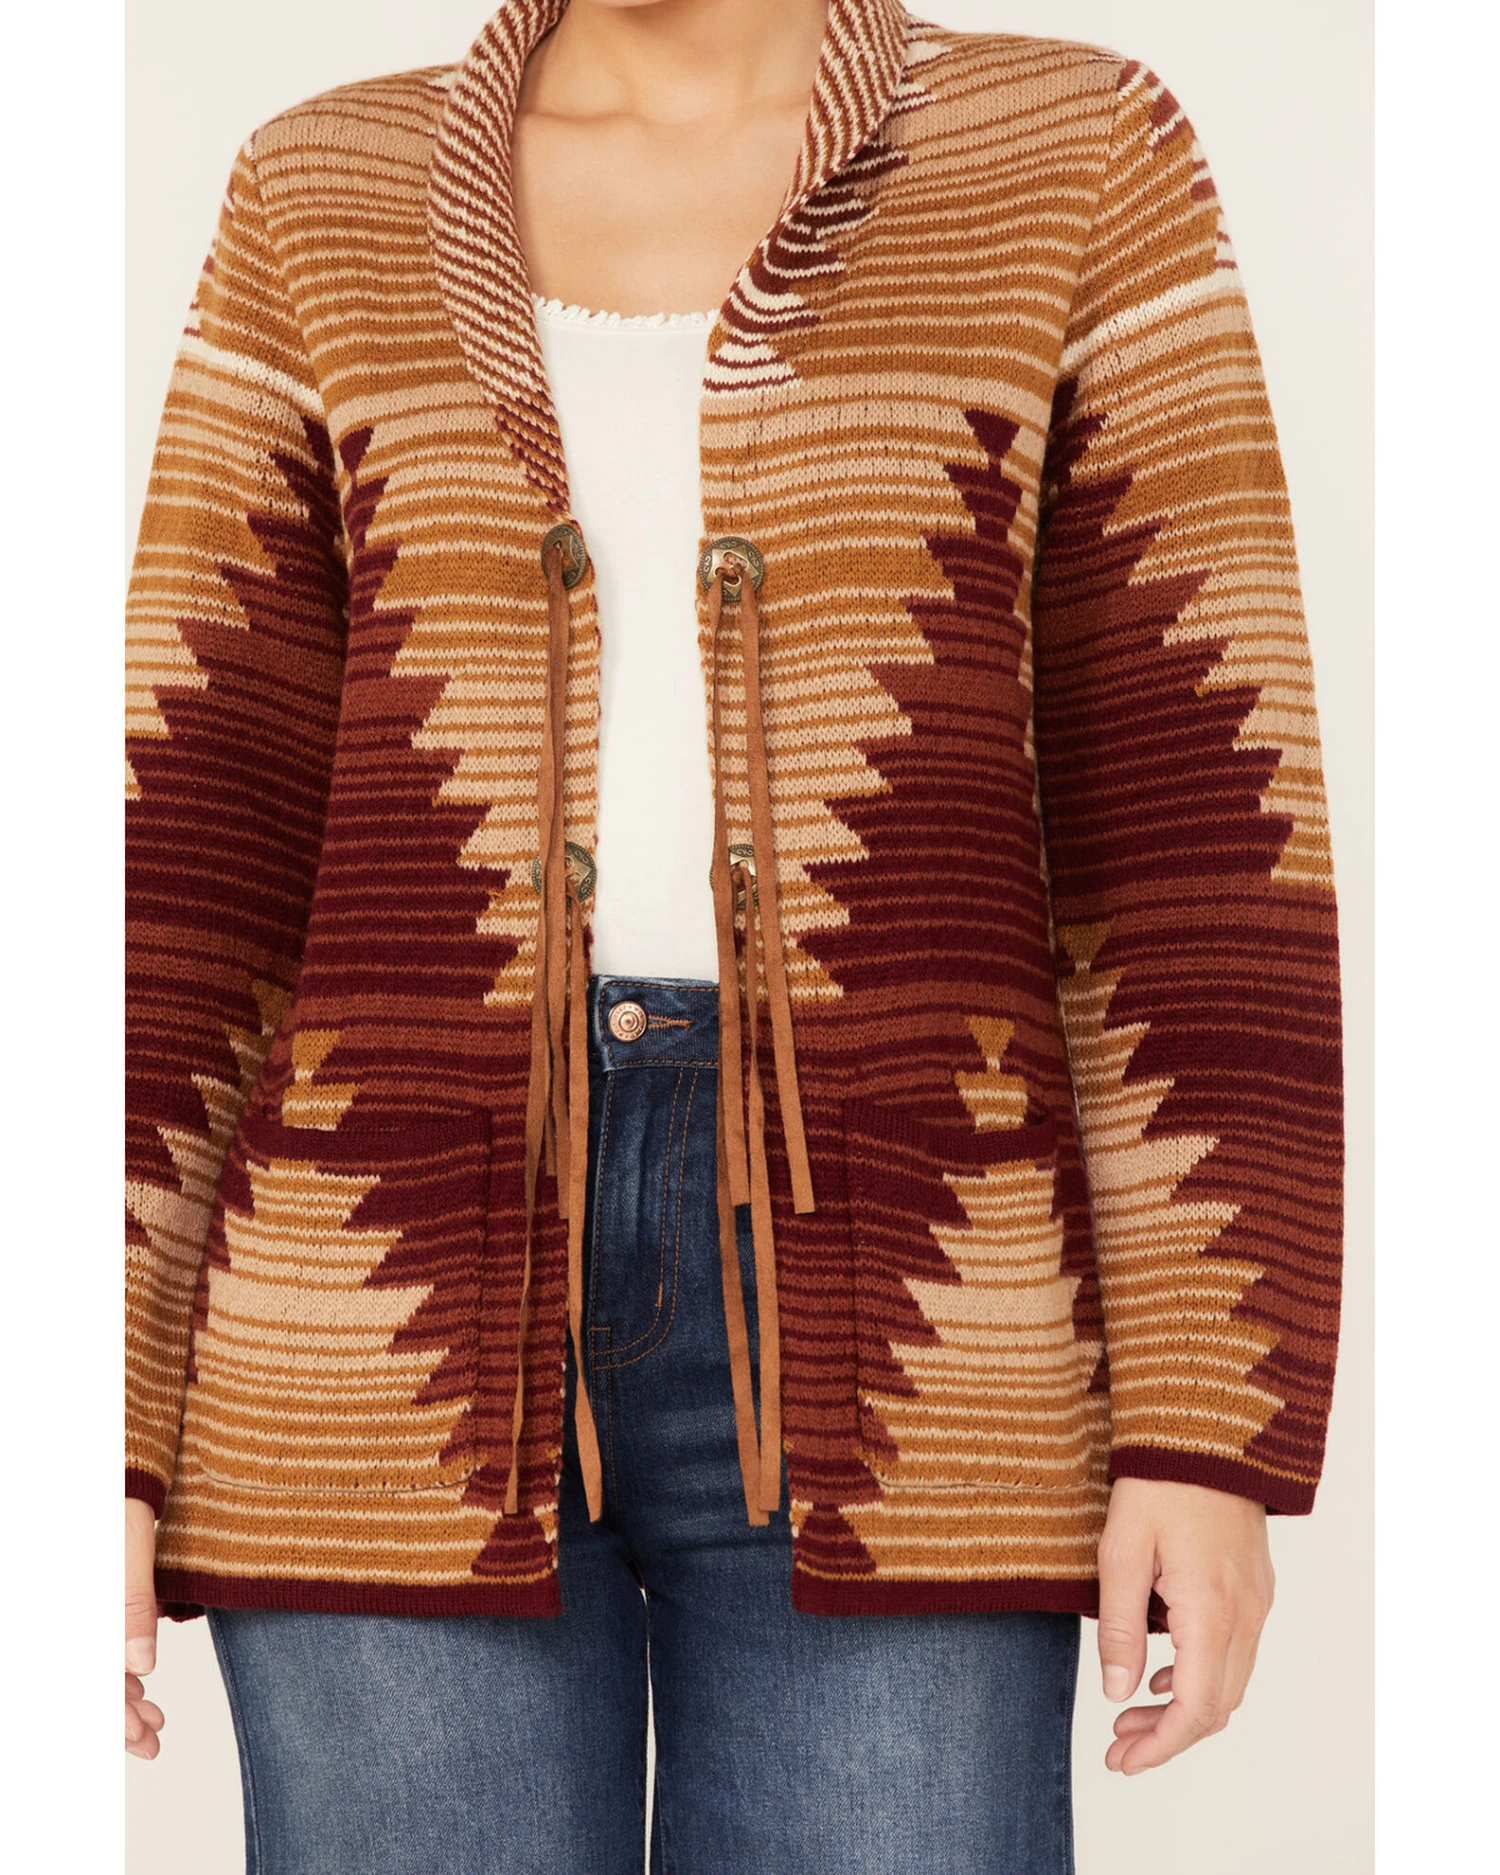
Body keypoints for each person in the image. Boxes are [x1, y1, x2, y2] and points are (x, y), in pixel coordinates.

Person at [123, 1, 1343, 1869]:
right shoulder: (322, 191)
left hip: (918, 1310)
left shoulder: (1076, 155)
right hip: (373, 1311)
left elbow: (1194, 814)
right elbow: (186, 840)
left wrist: (1205, 1420)